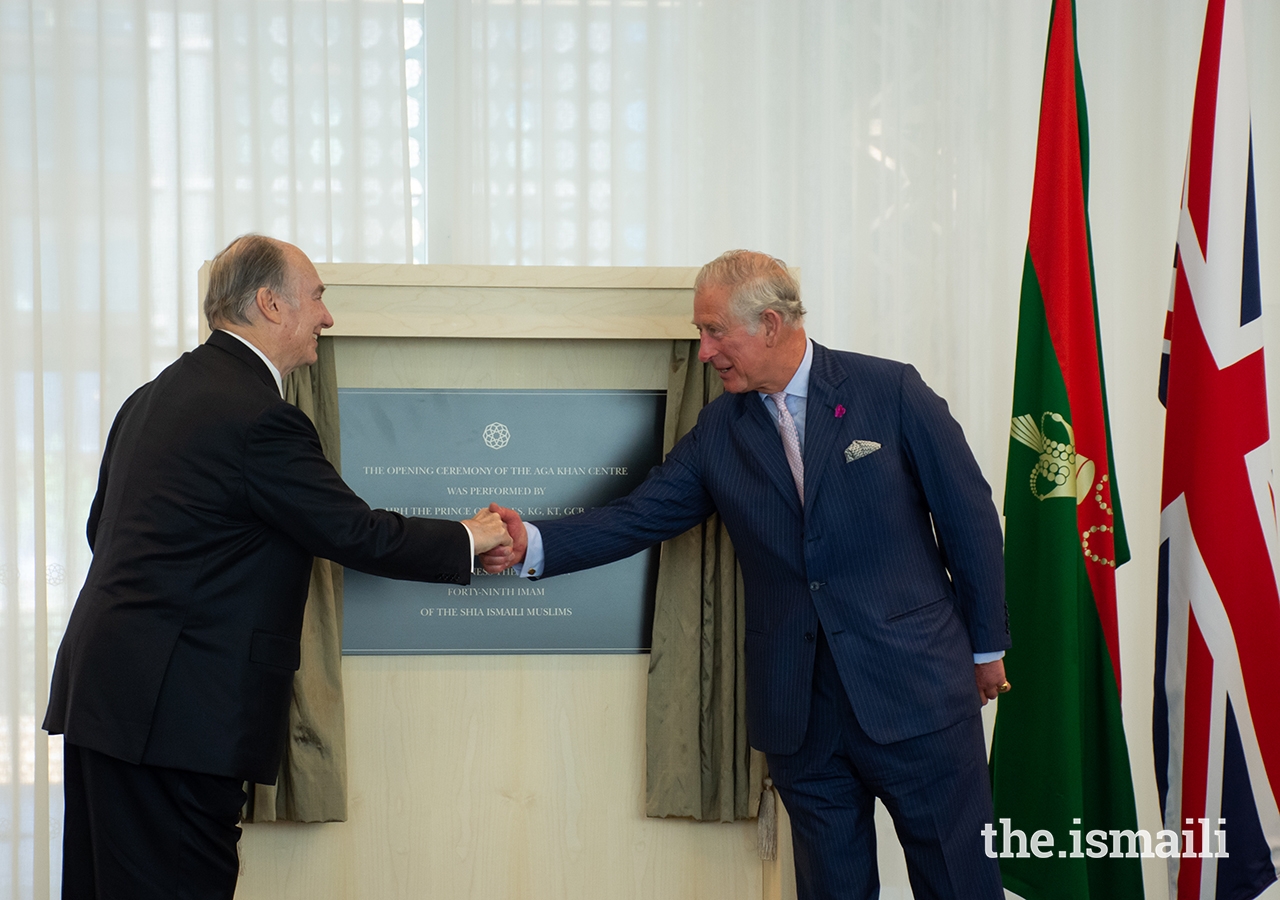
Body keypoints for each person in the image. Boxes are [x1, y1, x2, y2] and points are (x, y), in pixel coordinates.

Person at [483, 250, 1011, 900]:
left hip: (917, 691)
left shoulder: (890, 391)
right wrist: (531, 541)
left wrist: (986, 648)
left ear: (768, 323)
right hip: (800, 715)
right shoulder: (719, 430)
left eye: (713, 332)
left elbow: (970, 520)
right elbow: (641, 515)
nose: (703, 351)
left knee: (960, 884)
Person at [43, 234, 511, 900]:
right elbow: (355, 531)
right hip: (176, 719)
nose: (327, 316)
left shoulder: (150, 399)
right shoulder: (260, 419)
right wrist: (471, 536)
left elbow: (104, 533)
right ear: (269, 303)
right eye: (317, 297)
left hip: (107, 701)